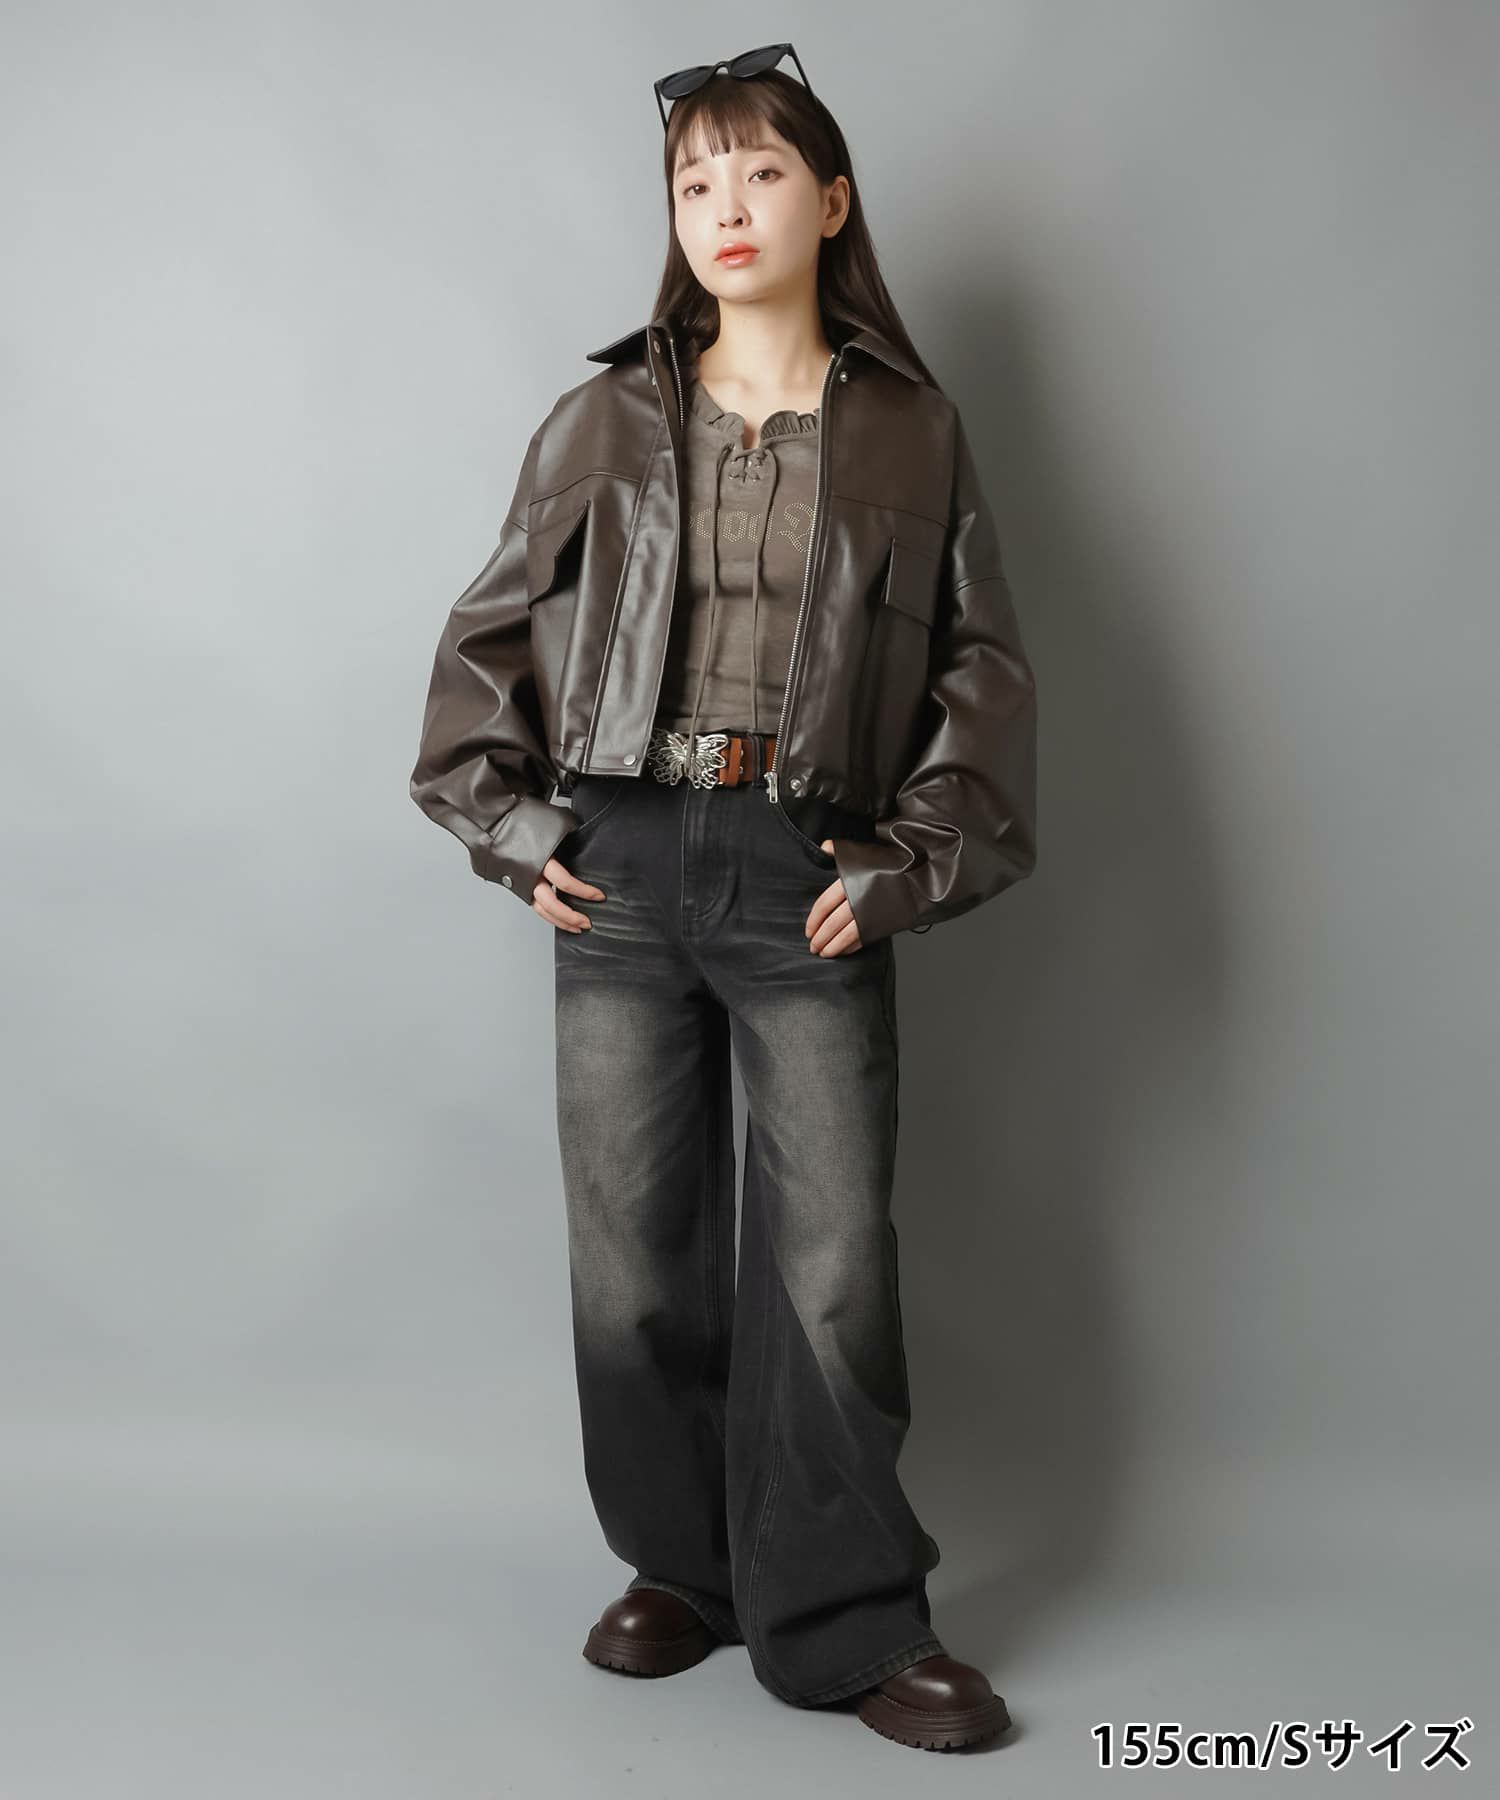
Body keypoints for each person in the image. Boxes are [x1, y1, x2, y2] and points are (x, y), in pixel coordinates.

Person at [409, 44, 1038, 1753]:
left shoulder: (913, 432)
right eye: (694, 181)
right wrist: (514, 828)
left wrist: (906, 865)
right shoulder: (596, 424)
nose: (725, 207)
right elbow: (480, 653)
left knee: (831, 1270)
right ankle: (684, 1568)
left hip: (803, 866)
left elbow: (983, 679)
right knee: (632, 1267)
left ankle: (846, 1619)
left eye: (759, 172)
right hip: (620, 860)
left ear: (831, 201)